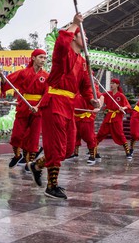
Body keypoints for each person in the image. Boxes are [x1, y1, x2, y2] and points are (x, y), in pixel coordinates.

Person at [28, 13, 103, 199]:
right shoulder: (64, 54)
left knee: (68, 149)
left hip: (69, 106)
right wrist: (75, 24)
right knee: (56, 148)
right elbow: (61, 42)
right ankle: (51, 186)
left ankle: (36, 166)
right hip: (54, 103)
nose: (86, 38)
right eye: (82, 35)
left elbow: (87, 87)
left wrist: (94, 100)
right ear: (75, 37)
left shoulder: (84, 63)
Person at [1, 48, 48, 169]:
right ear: (33, 58)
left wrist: (37, 107)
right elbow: (8, 82)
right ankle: (17, 155)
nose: (43, 60)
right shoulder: (23, 73)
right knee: (17, 135)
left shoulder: (46, 76)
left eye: (45, 58)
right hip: (23, 106)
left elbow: (47, 94)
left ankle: (29, 162)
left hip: (37, 109)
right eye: (40, 57)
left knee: (33, 137)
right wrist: (2, 78)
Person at [95, 78, 132, 160]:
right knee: (101, 133)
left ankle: (128, 152)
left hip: (117, 117)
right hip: (108, 116)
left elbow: (128, 106)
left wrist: (123, 107)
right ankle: (93, 150)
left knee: (120, 134)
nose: (111, 85)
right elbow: (99, 96)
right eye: (111, 83)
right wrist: (96, 85)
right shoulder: (107, 94)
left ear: (117, 85)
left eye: (113, 83)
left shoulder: (121, 95)